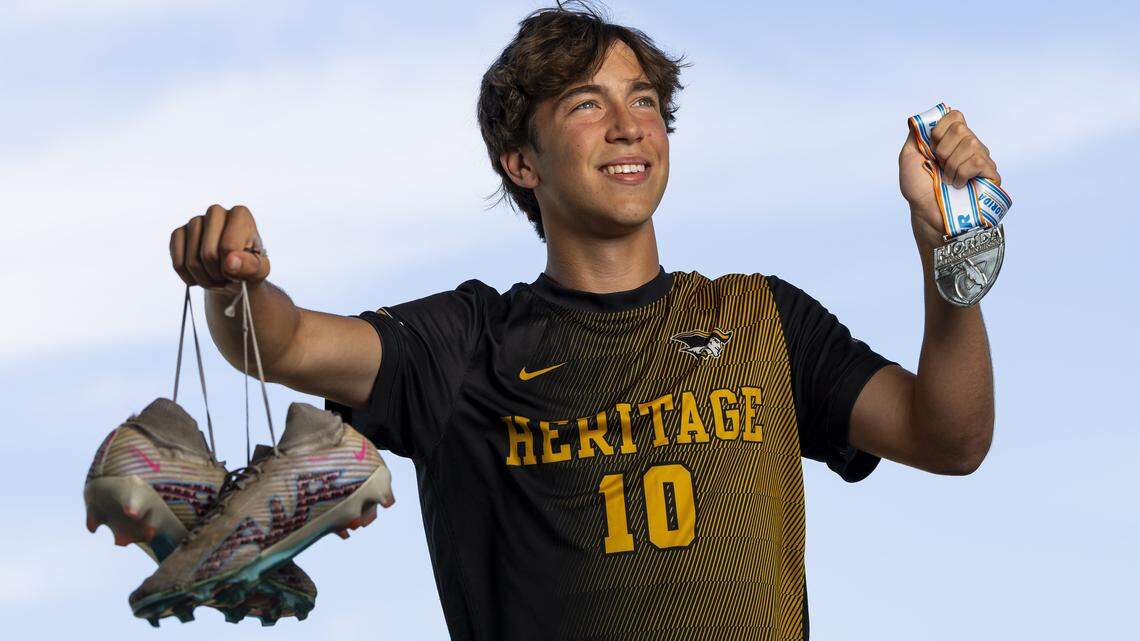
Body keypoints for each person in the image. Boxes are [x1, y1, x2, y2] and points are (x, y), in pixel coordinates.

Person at [169, 2, 998, 639]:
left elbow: (950, 438)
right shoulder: (469, 346)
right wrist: (230, 280)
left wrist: (945, 252)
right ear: (521, 161)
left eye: (642, 101)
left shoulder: (760, 318)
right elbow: (282, 341)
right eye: (585, 105)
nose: (630, 124)